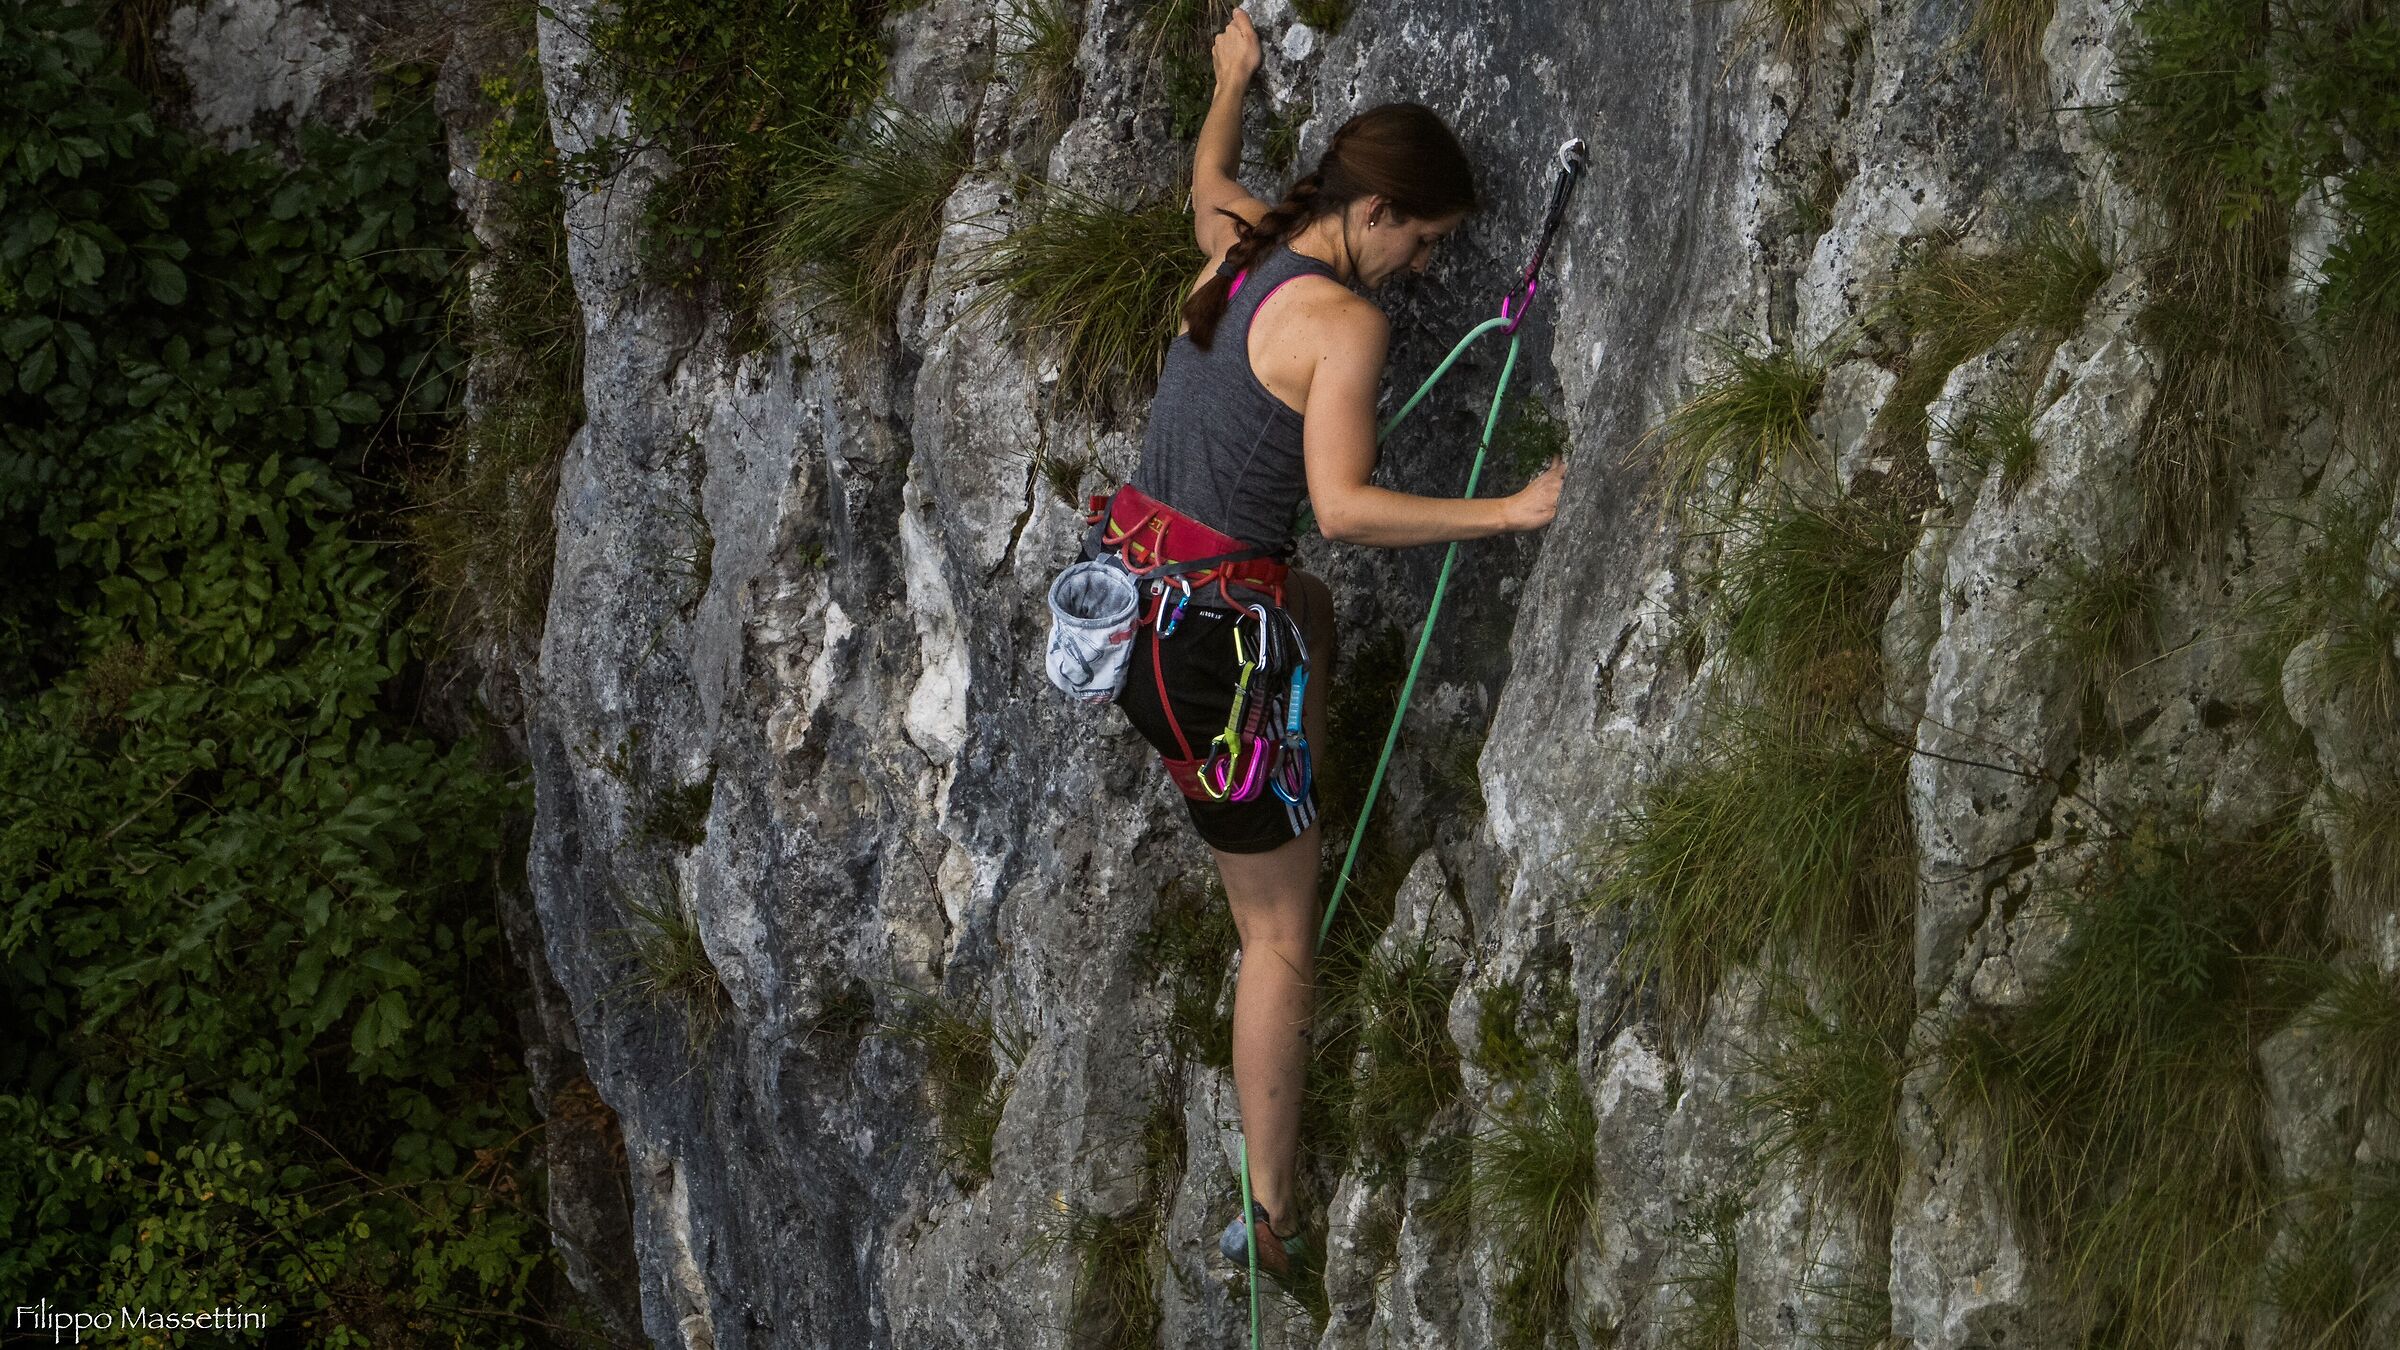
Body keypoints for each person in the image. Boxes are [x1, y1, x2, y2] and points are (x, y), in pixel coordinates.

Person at [1103, 6, 1565, 1276]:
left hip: (1140, 615)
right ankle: (1272, 1212)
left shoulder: (1239, 245)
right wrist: (1512, 509)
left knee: (1299, 610)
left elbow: (1202, 181)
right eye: (1425, 242)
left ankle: (1290, 796)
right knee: (1278, 941)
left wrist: (1230, 81)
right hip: (1207, 660)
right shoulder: (1343, 328)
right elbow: (1348, 508)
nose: (1424, 270)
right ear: (1376, 214)